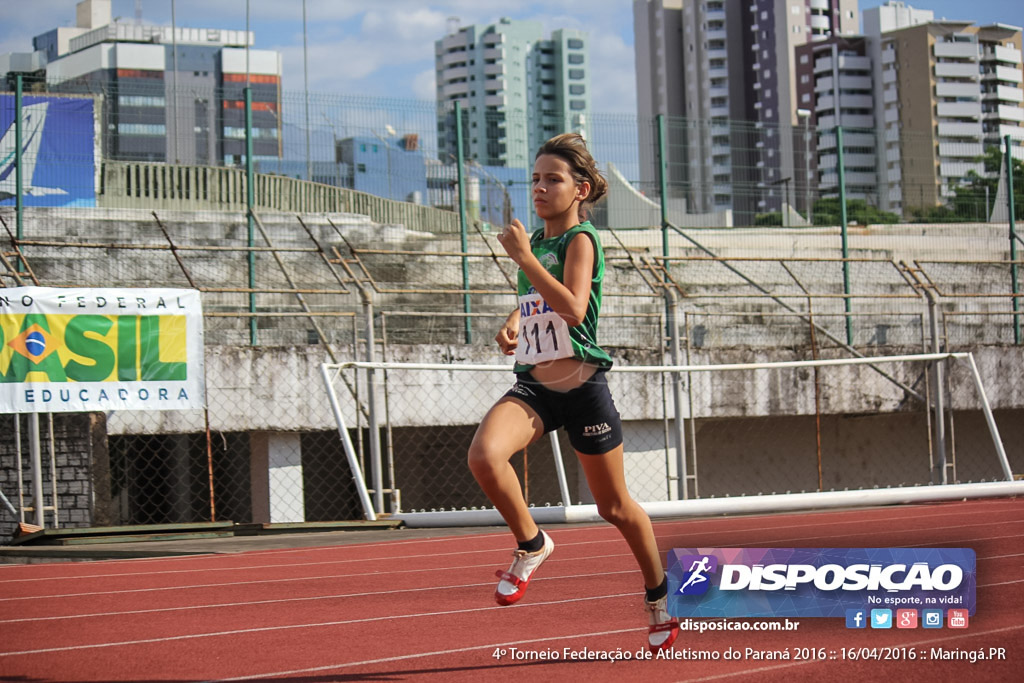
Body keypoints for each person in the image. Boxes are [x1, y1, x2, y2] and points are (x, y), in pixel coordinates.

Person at [467, 132, 679, 652]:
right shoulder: (536, 246)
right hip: (537, 385)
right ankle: (532, 544)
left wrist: (524, 260)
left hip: (582, 387)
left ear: (580, 189)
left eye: (553, 180)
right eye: (535, 179)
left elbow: (574, 308)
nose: (539, 189)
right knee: (485, 456)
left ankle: (658, 596)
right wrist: (513, 321)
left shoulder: (580, 240)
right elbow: (539, 301)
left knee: (615, 506)